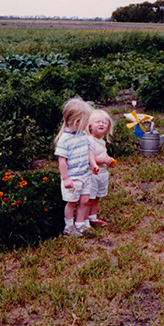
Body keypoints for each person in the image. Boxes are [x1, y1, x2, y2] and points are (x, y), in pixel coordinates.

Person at [54, 98, 98, 237]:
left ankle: (80, 224)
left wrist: (93, 163)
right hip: (73, 178)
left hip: (85, 174)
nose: (87, 125)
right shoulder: (64, 140)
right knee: (72, 202)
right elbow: (62, 161)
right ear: (77, 122)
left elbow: (88, 150)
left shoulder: (83, 135)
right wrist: (66, 178)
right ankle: (69, 227)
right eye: (86, 122)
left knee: (84, 200)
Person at [86, 109, 116, 227]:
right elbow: (90, 158)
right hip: (93, 174)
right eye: (97, 122)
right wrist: (103, 160)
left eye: (104, 122)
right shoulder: (90, 141)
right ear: (89, 126)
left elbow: (103, 154)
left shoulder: (102, 141)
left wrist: (108, 159)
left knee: (97, 196)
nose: (101, 124)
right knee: (89, 198)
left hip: (102, 174)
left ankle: (93, 217)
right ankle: (85, 219)